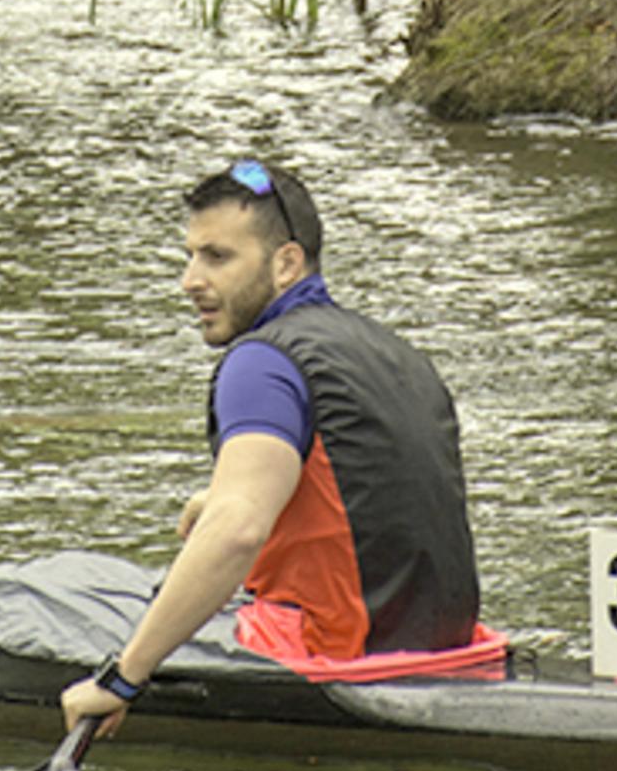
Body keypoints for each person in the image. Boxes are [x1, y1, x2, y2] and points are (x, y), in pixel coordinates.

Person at [58, 160, 486, 734]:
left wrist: (123, 679)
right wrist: (222, 497)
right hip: (447, 650)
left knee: (60, 587)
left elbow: (238, 531)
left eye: (217, 257)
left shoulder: (261, 362)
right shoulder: (398, 353)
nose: (190, 280)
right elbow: (370, 493)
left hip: (329, 657)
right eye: (190, 256)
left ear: (286, 262)